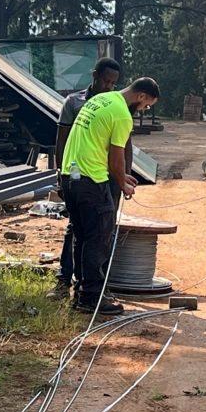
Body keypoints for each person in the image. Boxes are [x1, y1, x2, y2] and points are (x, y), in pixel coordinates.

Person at [61, 76, 159, 314]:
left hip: (70, 176)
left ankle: (81, 293)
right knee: (99, 238)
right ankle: (92, 297)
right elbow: (116, 155)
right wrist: (122, 182)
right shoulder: (122, 114)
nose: (144, 110)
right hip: (91, 180)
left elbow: (96, 142)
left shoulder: (101, 100)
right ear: (141, 96)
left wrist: (121, 176)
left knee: (82, 236)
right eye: (146, 106)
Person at [47, 58, 122, 300]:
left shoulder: (115, 103)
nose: (108, 86)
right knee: (76, 229)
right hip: (83, 176)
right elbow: (62, 140)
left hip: (107, 176)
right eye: (105, 80)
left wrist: (123, 177)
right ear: (94, 75)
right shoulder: (75, 102)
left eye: (113, 83)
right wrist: (61, 173)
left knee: (104, 231)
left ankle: (97, 284)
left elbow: (123, 144)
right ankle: (65, 278)